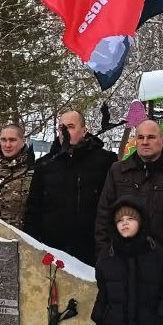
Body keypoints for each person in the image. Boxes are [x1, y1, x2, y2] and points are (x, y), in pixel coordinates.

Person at [95, 119, 163, 267]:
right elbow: (104, 215)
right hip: (122, 259)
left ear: (162, 140)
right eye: (140, 137)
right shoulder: (118, 171)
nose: (145, 142)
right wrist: (105, 253)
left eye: (151, 137)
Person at [25, 110, 117, 266]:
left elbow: (114, 204)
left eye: (71, 126)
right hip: (53, 253)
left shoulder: (105, 162)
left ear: (84, 130)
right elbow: (33, 210)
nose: (65, 132)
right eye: (61, 128)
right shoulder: (45, 165)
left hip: (93, 251)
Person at [0, 123, 35, 228]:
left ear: (23, 141)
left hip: (26, 237)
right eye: (3, 140)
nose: (7, 145)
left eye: (12, 140)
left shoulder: (35, 171)